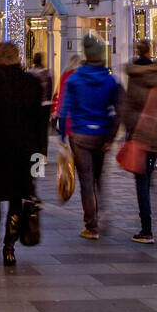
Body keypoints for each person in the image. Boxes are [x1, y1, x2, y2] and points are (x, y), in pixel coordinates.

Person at [0, 41, 44, 266]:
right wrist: (39, 159)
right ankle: (9, 247)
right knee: (17, 198)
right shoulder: (31, 83)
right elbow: (40, 125)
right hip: (24, 151)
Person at [59, 33, 121, 240]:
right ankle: (103, 212)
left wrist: (61, 134)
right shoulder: (110, 80)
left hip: (79, 134)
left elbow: (65, 108)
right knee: (99, 177)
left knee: (86, 180)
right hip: (101, 133)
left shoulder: (75, 79)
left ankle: (91, 225)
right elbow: (117, 109)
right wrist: (111, 138)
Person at [120, 38, 157, 244]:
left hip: (140, 135)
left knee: (142, 181)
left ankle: (146, 229)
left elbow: (129, 107)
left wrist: (130, 131)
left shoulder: (135, 76)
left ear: (138, 52)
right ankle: (154, 216)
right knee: (148, 176)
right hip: (155, 135)